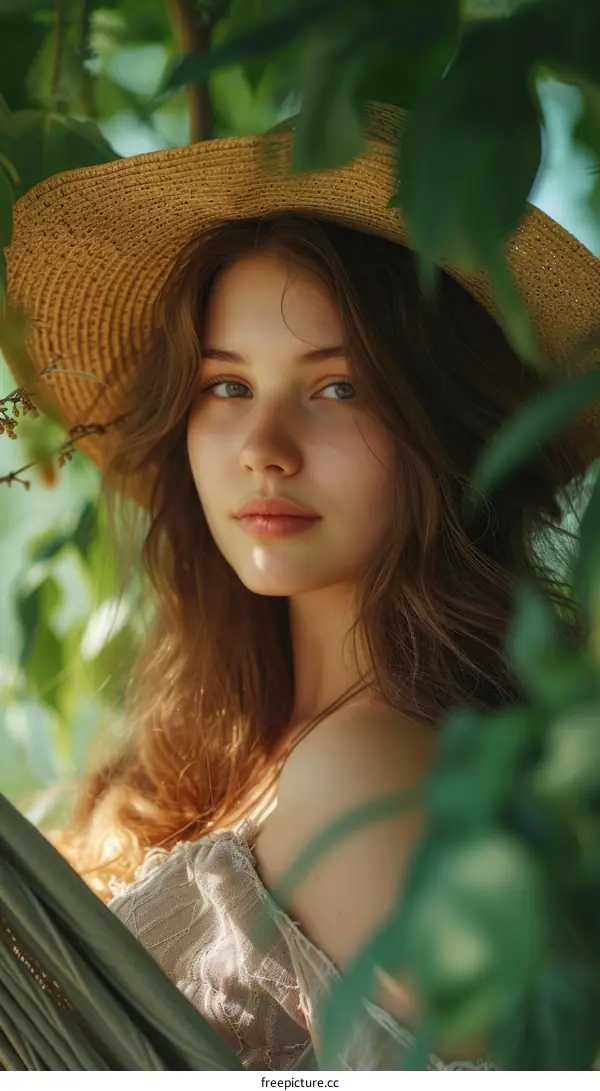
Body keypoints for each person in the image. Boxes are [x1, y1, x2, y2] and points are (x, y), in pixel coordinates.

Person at [2, 101, 598, 1071]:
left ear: (442, 427)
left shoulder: (370, 772)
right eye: (227, 386)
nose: (264, 452)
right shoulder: (224, 754)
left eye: (337, 388)